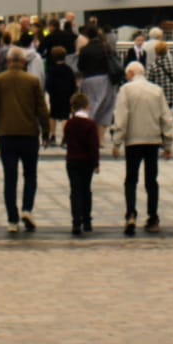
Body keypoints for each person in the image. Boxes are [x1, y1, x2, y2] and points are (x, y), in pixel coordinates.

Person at [0, 48, 52, 234]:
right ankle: (27, 209)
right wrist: (46, 132)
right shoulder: (32, 81)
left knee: (9, 178)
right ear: (24, 63)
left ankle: (12, 219)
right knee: (30, 175)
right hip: (29, 134)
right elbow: (42, 109)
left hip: (6, 135)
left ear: (7, 62)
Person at [111, 61, 173, 234]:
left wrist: (117, 142)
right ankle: (153, 216)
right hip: (153, 140)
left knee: (131, 179)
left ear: (131, 73)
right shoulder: (156, 90)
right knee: (151, 180)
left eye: (126, 74)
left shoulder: (126, 90)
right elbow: (166, 118)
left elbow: (121, 118)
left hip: (133, 141)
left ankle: (131, 214)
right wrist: (168, 144)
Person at [64, 90, 102, 236]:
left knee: (75, 191)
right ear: (87, 106)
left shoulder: (69, 124)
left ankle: (75, 221)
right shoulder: (90, 125)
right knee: (86, 190)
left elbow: (67, 141)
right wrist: (96, 163)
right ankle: (87, 220)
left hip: (72, 160)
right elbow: (93, 146)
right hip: (86, 161)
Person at [45, 46, 77, 146]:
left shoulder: (51, 70)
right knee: (65, 116)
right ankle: (65, 137)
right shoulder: (68, 69)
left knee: (53, 115)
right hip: (66, 95)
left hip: (55, 95)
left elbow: (48, 83)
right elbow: (73, 83)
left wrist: (49, 91)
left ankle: (52, 135)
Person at [148, 39, 173, 107]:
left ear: (156, 52)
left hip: (158, 94)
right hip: (171, 94)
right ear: (166, 51)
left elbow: (149, 80)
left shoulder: (154, 65)